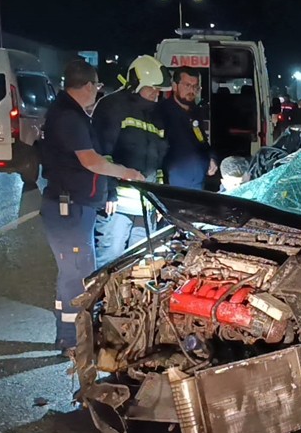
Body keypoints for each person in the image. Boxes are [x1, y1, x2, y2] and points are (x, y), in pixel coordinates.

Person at [38, 59, 143, 353]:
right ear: (86, 86)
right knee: (78, 275)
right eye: (96, 85)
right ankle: (73, 340)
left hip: (73, 206)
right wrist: (127, 173)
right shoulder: (69, 117)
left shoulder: (69, 113)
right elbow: (91, 161)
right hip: (69, 208)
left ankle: (68, 335)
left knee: (72, 273)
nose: (97, 90)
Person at [93, 54, 170, 260]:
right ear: (137, 83)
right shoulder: (113, 107)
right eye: (152, 88)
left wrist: (159, 199)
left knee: (141, 262)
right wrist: (109, 191)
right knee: (111, 258)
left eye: (159, 89)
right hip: (117, 205)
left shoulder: (156, 114)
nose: (156, 93)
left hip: (146, 205)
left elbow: (159, 161)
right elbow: (102, 153)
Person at [160, 68, 218, 190]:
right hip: (173, 184)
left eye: (195, 87)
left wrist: (212, 157)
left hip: (198, 182)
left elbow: (202, 140)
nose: (192, 90)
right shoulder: (162, 111)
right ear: (174, 86)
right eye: (187, 85)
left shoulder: (196, 111)